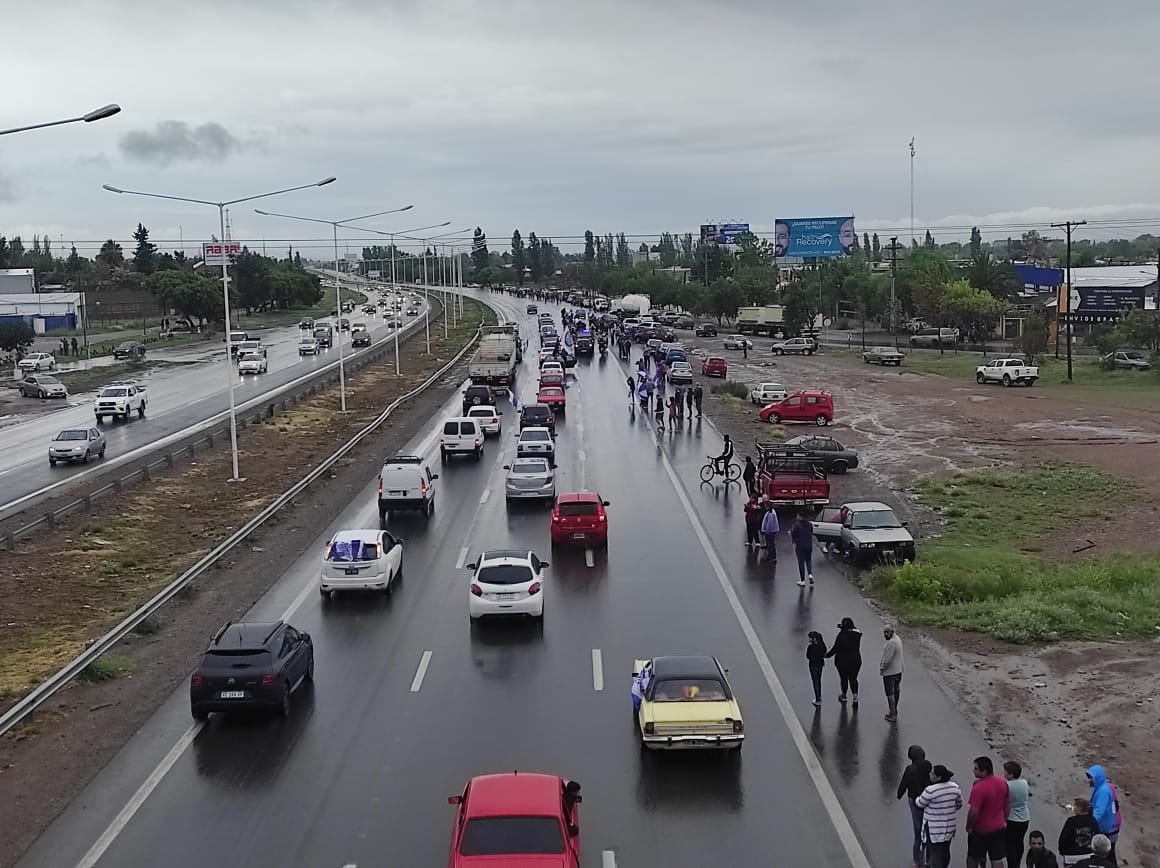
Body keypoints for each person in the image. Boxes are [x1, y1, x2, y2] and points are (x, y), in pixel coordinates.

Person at [967, 756, 1011, 868]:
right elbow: (1008, 804)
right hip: (998, 828)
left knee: (973, 856)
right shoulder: (1002, 783)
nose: (973, 770)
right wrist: (1004, 819)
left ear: (984, 771)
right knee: (996, 858)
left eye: (976, 768)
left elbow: (973, 812)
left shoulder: (978, 788)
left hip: (981, 830)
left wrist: (969, 826)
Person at [916, 764, 963, 868]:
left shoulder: (930, 790)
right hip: (949, 827)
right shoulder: (954, 787)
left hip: (934, 829)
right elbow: (959, 804)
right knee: (945, 851)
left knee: (935, 853)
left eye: (932, 773)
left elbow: (920, 803)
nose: (930, 774)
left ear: (938, 777)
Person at [898, 744, 933, 868]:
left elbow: (904, 783)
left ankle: (916, 861)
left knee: (917, 831)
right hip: (927, 800)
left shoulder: (910, 769)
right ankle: (929, 859)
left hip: (914, 800)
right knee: (929, 831)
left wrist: (899, 794)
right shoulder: (928, 766)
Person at [1085, 766, 1120, 861]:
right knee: (1110, 854)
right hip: (1111, 827)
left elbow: (1098, 812)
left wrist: (1088, 824)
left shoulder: (1103, 792)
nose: (1089, 780)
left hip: (1108, 829)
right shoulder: (1104, 787)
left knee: (1107, 854)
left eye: (1091, 778)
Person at [826, 617, 862, 704]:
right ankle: (855, 697)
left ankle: (844, 695)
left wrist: (826, 655)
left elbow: (836, 648)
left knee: (844, 679)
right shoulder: (857, 635)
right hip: (855, 661)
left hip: (842, 662)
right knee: (853, 679)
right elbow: (855, 630)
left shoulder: (842, 636)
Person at [1058, 798, 1101, 866]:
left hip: (1071, 857)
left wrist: (1062, 852)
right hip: (1089, 856)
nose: (1074, 808)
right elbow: (1097, 839)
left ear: (1080, 808)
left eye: (1075, 806)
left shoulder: (1071, 821)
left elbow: (1064, 839)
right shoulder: (1094, 821)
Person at [1005, 761, 1031, 868]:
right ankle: (1017, 864)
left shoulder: (1007, 785)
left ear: (1011, 774)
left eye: (1006, 772)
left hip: (1012, 818)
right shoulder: (1024, 783)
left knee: (1009, 845)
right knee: (1019, 842)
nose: (1004, 774)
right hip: (1025, 818)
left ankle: (1012, 865)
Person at [880, 625, 904, 721]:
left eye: (887, 632)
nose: (885, 634)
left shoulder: (891, 643)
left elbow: (887, 659)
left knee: (890, 693)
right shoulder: (898, 639)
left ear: (892, 632)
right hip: (898, 670)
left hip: (890, 672)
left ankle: (892, 713)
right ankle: (894, 710)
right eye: (884, 632)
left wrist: (882, 668)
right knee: (896, 691)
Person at [790, 513, 814, 586]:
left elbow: (794, 534)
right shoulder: (810, 524)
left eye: (798, 515)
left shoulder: (797, 525)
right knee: (808, 560)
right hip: (809, 545)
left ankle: (802, 580)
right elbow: (811, 532)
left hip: (800, 546)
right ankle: (810, 574)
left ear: (800, 517)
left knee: (801, 562)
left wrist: (790, 533)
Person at [806, 631, 826, 707]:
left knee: (815, 682)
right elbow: (824, 652)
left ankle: (818, 699)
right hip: (820, 664)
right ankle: (819, 696)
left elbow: (808, 656)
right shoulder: (821, 644)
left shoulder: (811, 647)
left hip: (813, 665)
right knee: (819, 680)